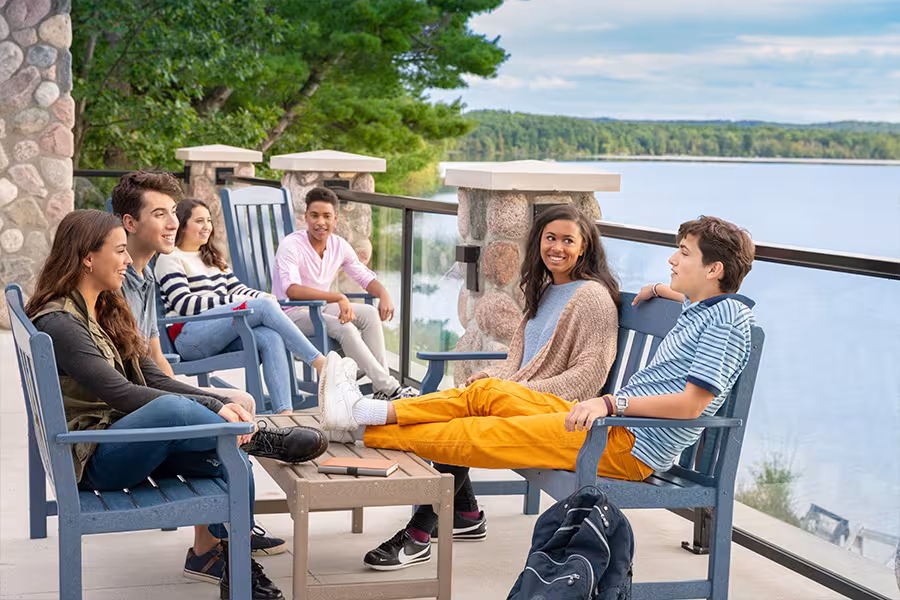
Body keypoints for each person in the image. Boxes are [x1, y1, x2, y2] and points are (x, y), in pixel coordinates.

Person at [321, 215, 757, 573]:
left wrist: (611, 402)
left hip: (628, 443)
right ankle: (366, 410)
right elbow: (694, 301)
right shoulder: (707, 308)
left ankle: (359, 433)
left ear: (713, 269)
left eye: (683, 252)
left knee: (481, 433)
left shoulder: (727, 321)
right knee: (487, 392)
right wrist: (663, 290)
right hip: (611, 425)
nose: (672, 259)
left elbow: (692, 405)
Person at [26, 210, 331, 600]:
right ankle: (254, 438)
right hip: (93, 457)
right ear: (88, 257)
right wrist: (215, 410)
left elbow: (149, 376)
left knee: (229, 460)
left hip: (125, 439)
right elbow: (121, 392)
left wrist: (219, 398)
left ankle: (238, 568)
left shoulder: (102, 306)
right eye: (119, 251)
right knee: (171, 412)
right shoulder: (62, 323)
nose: (126, 261)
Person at [345, 203, 624, 570]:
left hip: (563, 413)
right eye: (550, 238)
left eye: (567, 240)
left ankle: (416, 523)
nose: (557, 247)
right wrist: (502, 379)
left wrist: (516, 390)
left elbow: (590, 375)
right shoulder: (544, 289)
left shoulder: (592, 297)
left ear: (584, 246)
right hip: (528, 399)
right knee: (468, 401)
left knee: (462, 423)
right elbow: (521, 361)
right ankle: (464, 513)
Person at [110, 171, 290, 556]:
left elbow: (155, 356)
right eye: (159, 214)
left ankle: (216, 537)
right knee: (232, 416)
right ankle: (226, 537)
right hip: (130, 412)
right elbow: (129, 373)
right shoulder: (118, 281)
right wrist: (198, 403)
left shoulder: (142, 277)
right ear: (130, 223)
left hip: (150, 389)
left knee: (241, 398)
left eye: (173, 211)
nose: (173, 223)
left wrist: (194, 395)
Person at [155, 198, 327, 414]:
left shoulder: (213, 258)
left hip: (218, 333)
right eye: (199, 221)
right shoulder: (170, 258)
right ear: (182, 225)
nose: (207, 226)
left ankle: (284, 413)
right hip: (189, 338)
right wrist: (244, 302)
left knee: (270, 335)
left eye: (208, 220)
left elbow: (237, 289)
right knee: (261, 307)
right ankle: (319, 362)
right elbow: (185, 305)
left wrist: (262, 296)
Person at [273, 186, 416, 400]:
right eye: (314, 215)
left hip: (318, 308)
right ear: (305, 218)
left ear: (336, 219)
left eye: (327, 216)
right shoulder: (291, 245)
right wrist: (339, 297)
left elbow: (364, 277)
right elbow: (292, 291)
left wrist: (384, 294)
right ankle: (390, 387)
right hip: (289, 313)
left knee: (368, 313)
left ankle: (381, 389)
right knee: (346, 327)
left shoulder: (339, 245)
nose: (321, 222)